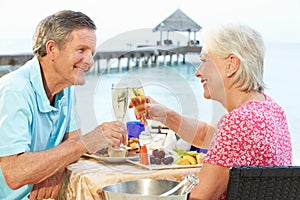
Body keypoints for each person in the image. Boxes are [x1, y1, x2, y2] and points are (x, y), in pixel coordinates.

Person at [131, 22, 292, 200]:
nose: (197, 73)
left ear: (231, 65)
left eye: (205, 61)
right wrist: (163, 115)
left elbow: (199, 198)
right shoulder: (271, 110)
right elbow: (204, 135)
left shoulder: (238, 123)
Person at [0, 10, 127, 199]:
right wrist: (88, 141)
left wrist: (54, 171)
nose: (90, 61)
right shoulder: (15, 90)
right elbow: (15, 173)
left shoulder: (66, 86)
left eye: (92, 53)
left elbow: (71, 141)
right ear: (52, 49)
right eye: (81, 50)